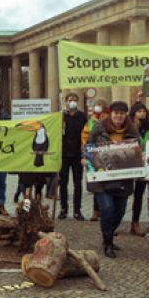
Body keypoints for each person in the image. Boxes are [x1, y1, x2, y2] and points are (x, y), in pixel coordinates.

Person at [85, 101, 140, 258]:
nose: (119, 116)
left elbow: (137, 148)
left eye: (122, 114)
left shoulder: (132, 129)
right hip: (102, 177)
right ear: (111, 114)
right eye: (116, 113)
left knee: (120, 210)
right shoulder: (99, 127)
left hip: (122, 177)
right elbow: (89, 145)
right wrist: (86, 158)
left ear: (125, 115)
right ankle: (107, 241)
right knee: (107, 209)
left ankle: (109, 233)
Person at [58, 92, 87, 220]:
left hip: (77, 154)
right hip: (64, 154)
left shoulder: (82, 117)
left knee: (77, 183)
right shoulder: (61, 116)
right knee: (63, 183)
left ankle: (77, 210)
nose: (72, 102)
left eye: (75, 100)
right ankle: (63, 208)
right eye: (70, 100)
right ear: (66, 101)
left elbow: (86, 134)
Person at [129, 102, 149, 236]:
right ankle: (135, 222)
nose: (142, 114)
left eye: (144, 111)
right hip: (137, 163)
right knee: (138, 194)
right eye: (139, 111)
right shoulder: (131, 127)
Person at [81, 98, 109, 221]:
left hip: (107, 155)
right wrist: (86, 154)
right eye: (97, 105)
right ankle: (95, 210)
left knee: (106, 184)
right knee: (95, 183)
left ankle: (104, 211)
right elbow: (85, 136)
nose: (98, 107)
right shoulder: (90, 121)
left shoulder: (109, 119)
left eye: (100, 105)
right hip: (94, 155)